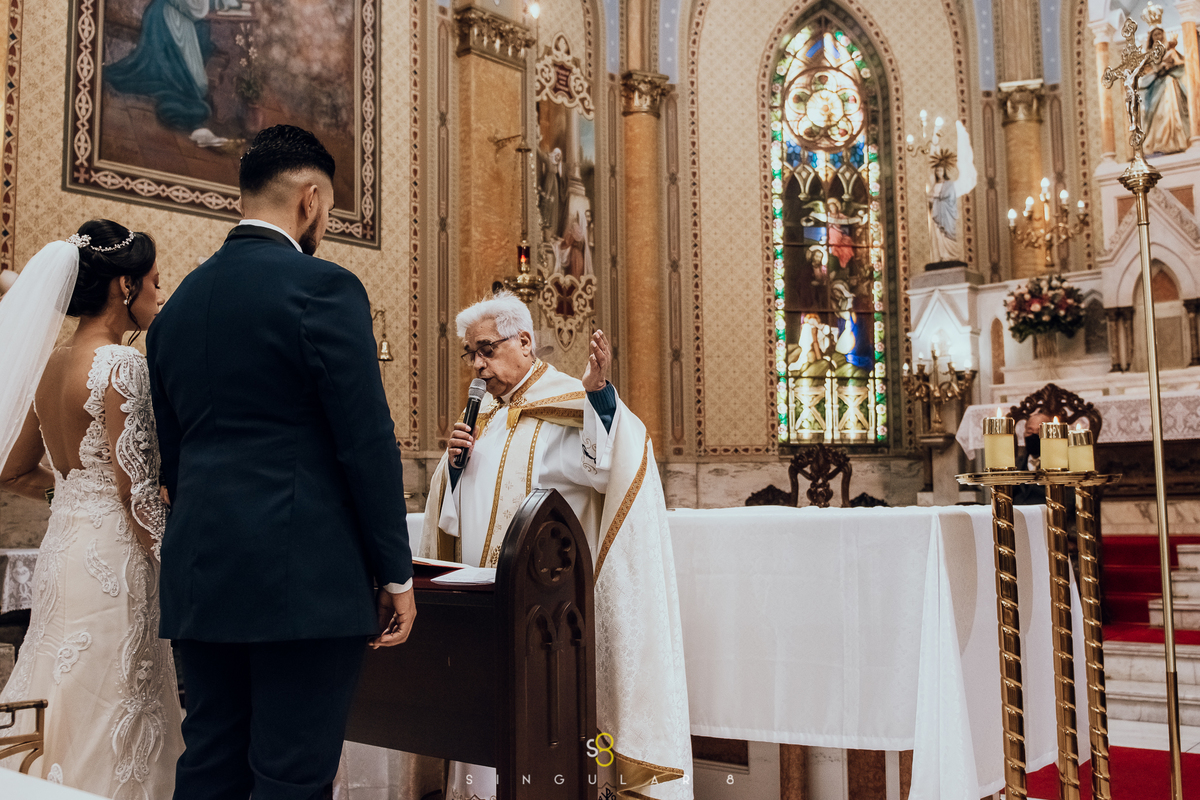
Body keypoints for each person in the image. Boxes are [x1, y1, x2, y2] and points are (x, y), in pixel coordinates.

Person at [146, 125, 416, 800]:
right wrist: (395, 571)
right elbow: (365, 440)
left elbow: (172, 461)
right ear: (310, 199)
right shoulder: (323, 287)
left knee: (210, 765)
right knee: (291, 776)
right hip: (304, 579)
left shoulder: (176, 310)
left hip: (201, 574)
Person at [420, 291, 692, 799]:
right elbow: (453, 517)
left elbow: (605, 468)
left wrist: (601, 398)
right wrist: (453, 470)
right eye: (470, 354)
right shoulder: (484, 416)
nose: (477, 366)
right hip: (484, 605)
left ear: (524, 341)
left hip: (547, 614)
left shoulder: (570, 400)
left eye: (486, 350)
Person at [0, 220, 185, 796]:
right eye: (156, 282)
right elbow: (134, 492)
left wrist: (74, 494)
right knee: (115, 694)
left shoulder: (50, 364)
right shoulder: (122, 365)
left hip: (65, 551)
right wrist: (179, 568)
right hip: (117, 560)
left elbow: (12, 471)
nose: (161, 295)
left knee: (62, 684)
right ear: (125, 286)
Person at [105, 0, 229, 147]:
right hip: (167, 21)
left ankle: (195, 116)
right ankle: (195, 124)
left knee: (196, 76)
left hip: (182, 17)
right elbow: (195, 9)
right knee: (186, 84)